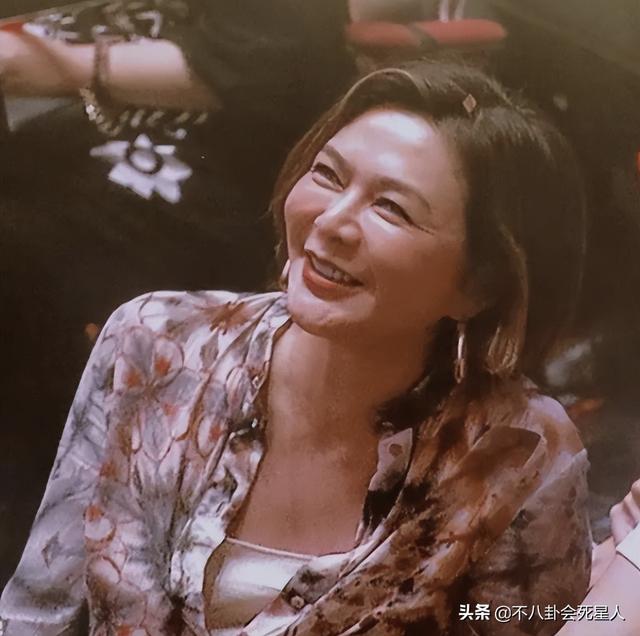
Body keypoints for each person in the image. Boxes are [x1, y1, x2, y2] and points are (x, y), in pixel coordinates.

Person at [0, 60, 591, 635]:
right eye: (328, 175)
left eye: (391, 208)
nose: (330, 221)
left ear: (478, 287)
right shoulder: (154, 342)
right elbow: (38, 611)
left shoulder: (517, 453)